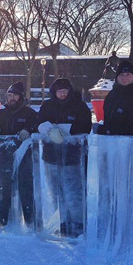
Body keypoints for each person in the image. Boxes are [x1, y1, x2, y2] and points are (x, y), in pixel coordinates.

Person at [37, 78, 91, 237]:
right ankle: (60, 221)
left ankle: (78, 224)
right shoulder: (47, 106)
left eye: (65, 91)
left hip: (72, 157)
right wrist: (49, 130)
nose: (62, 94)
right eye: (59, 91)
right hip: (50, 156)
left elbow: (85, 126)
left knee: (73, 191)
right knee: (55, 191)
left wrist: (64, 129)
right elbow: (38, 122)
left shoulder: (79, 106)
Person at [0, 81, 39, 226]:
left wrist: (29, 129)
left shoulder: (29, 113)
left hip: (25, 159)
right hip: (4, 157)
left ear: (21, 97)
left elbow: (39, 124)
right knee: (4, 189)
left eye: (15, 95)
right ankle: (4, 221)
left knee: (26, 190)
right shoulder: (2, 113)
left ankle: (29, 222)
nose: (12, 98)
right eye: (9, 95)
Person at [97, 60, 133, 166]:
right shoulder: (111, 96)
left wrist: (108, 130)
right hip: (113, 151)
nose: (124, 78)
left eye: (128, 74)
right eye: (121, 74)